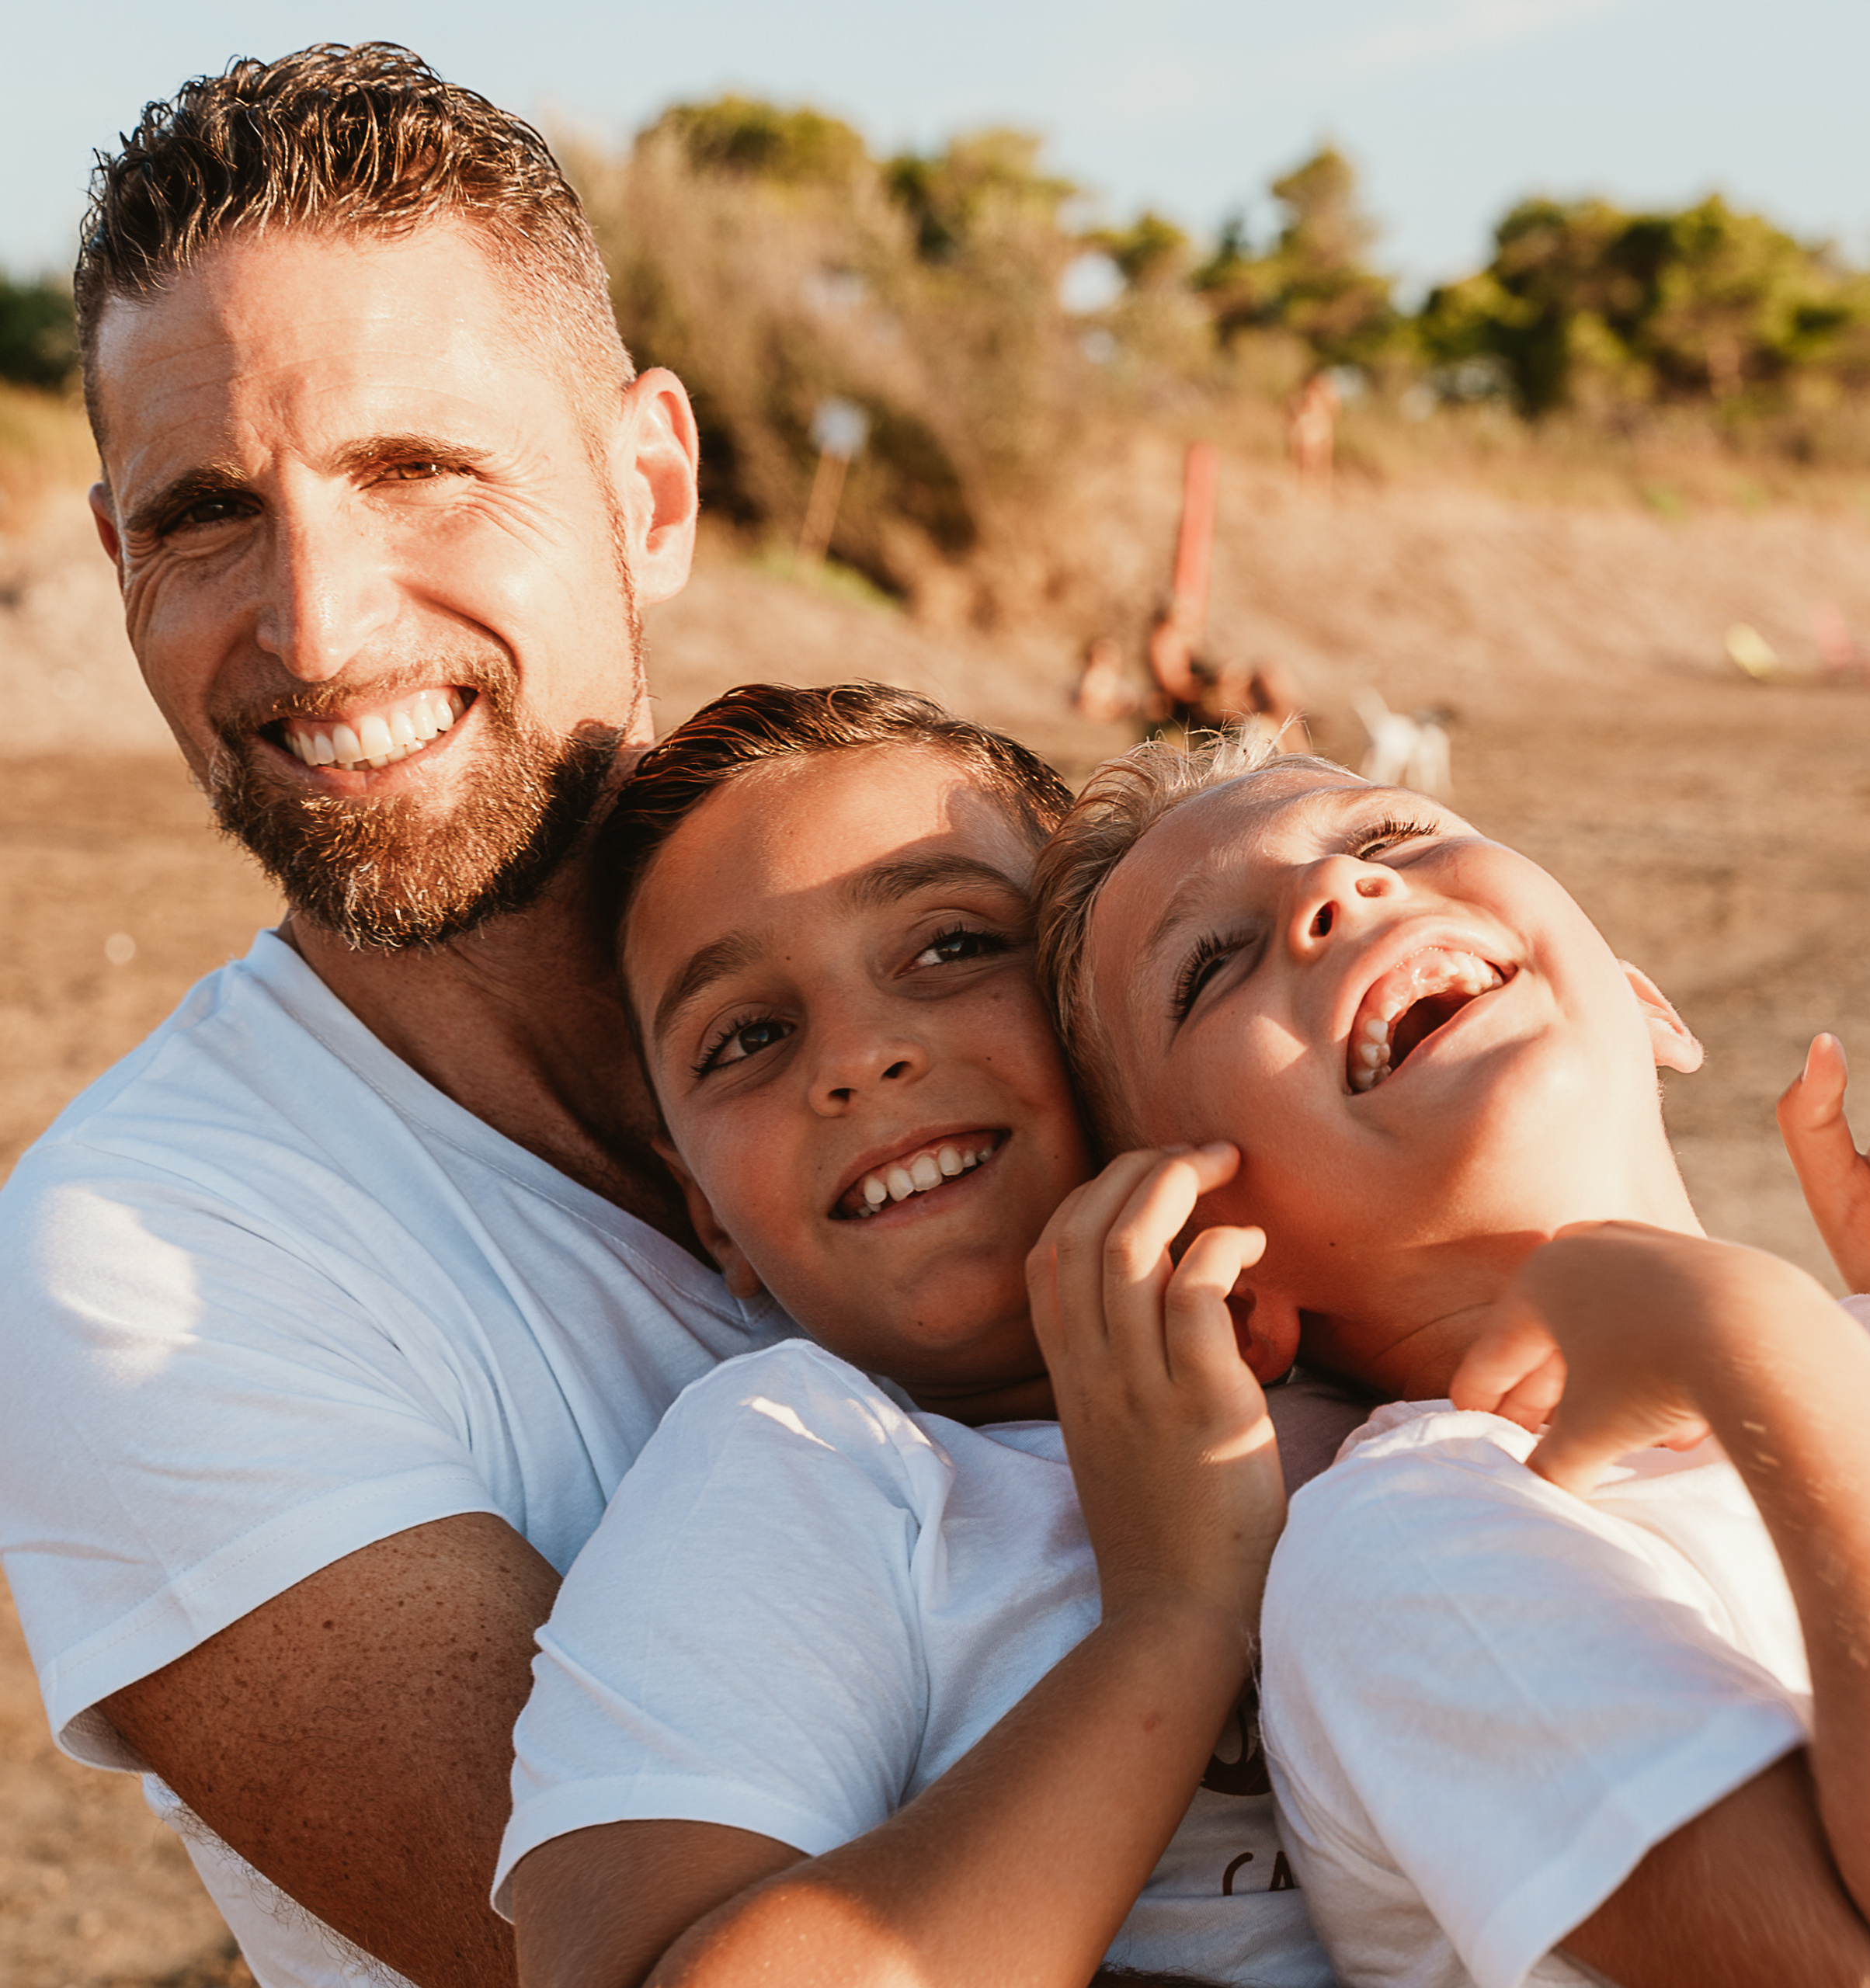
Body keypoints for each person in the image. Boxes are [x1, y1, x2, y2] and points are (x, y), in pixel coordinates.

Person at [0, 45, 791, 1988]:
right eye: (205, 514)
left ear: (648, 488)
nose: (322, 627)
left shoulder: (990, 953)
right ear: (115, 570)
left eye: (412, 471)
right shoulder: (158, 1265)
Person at [1027, 735, 1870, 1987]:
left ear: (1645, 1003)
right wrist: (1766, 1345)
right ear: (1228, 1274)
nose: (1341, 893)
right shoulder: (1409, 1538)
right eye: (1213, 966)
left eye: (1390, 839)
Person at [498, 681, 1347, 1988]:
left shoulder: (1376, 1309)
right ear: (706, 1215)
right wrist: (1175, 1617)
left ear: (1101, 979)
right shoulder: (801, 1470)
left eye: (950, 947)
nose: (859, 1056)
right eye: (750, 1038)